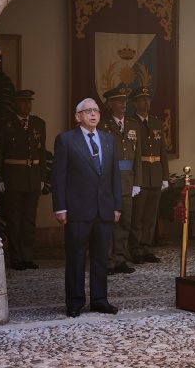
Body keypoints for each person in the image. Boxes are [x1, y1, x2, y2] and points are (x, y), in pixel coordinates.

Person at [52, 98, 122, 318]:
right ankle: (75, 301)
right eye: (88, 111)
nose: (93, 114)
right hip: (77, 209)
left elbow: (114, 176)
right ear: (78, 116)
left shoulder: (109, 140)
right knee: (76, 257)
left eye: (96, 111)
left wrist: (116, 205)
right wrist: (60, 207)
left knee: (101, 257)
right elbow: (59, 176)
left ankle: (100, 300)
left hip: (104, 209)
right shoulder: (66, 140)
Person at [0, 89, 47, 270]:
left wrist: (42, 177)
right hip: (13, 179)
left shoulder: (38, 124)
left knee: (29, 220)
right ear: (15, 104)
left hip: (32, 178)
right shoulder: (5, 124)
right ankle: (16, 258)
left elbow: (41, 152)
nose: (27, 105)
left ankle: (27, 256)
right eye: (23, 102)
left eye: (29, 102)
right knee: (14, 220)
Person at [99, 87, 140, 274]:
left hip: (127, 181)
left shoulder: (133, 125)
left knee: (124, 222)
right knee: (108, 221)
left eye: (124, 101)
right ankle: (107, 260)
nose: (123, 105)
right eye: (118, 101)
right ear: (109, 105)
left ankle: (120, 259)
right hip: (109, 181)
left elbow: (137, 156)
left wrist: (137, 181)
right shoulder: (103, 126)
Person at [128, 86, 169, 265]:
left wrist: (165, 177)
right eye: (142, 99)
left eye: (148, 99)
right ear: (135, 103)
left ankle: (147, 248)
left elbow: (163, 152)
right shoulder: (130, 124)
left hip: (155, 174)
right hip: (140, 175)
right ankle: (135, 249)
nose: (147, 102)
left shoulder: (156, 123)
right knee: (137, 215)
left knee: (151, 216)